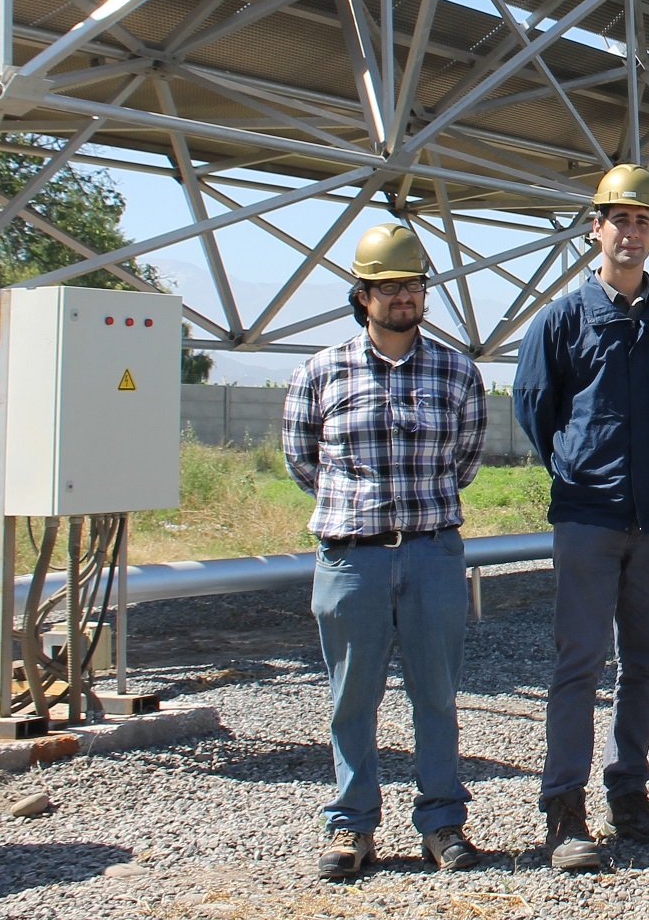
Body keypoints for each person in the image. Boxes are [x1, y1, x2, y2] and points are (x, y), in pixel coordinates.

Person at [282, 222, 487, 880]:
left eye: (414, 285)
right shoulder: (320, 372)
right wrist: (360, 513)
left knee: (436, 694)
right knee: (351, 697)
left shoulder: (456, 372)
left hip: (431, 553)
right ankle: (350, 825)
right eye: (390, 286)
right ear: (362, 295)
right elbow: (302, 460)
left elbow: (466, 460)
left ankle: (442, 823)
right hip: (351, 559)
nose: (404, 296)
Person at [513, 164, 649, 872]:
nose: (631, 232)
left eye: (644, 221)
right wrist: (580, 469)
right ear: (595, 228)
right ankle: (564, 810)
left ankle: (629, 794)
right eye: (619, 219)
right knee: (579, 662)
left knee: (646, 664)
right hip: (590, 516)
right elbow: (535, 408)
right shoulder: (562, 318)